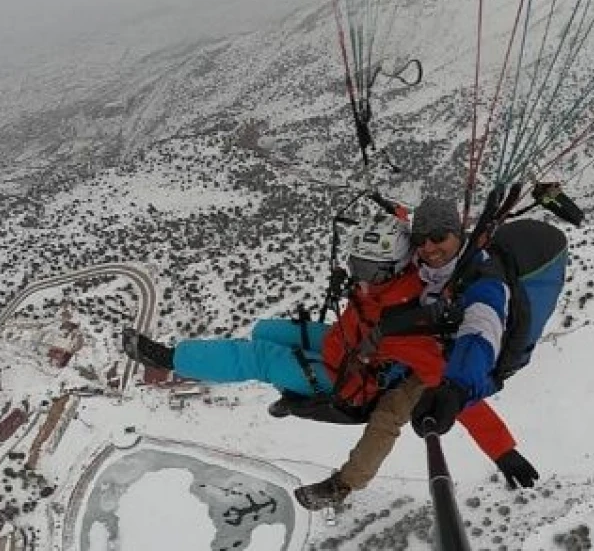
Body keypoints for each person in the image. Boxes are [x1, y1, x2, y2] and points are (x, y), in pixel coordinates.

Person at [121, 207, 536, 508]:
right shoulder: (404, 270)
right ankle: (291, 392)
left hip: (347, 378)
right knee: (267, 330)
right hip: (346, 340)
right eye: (356, 264)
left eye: (367, 269)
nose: (358, 275)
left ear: (390, 270)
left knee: (258, 356)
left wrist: (502, 451)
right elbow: (409, 228)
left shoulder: (411, 328)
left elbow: (458, 392)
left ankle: (170, 358)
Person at [401, 196, 569, 438]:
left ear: (458, 234)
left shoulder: (483, 279)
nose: (428, 247)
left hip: (483, 365)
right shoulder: (433, 269)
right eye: (420, 240)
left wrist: (456, 389)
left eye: (438, 237)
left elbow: (481, 326)